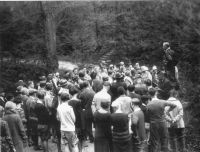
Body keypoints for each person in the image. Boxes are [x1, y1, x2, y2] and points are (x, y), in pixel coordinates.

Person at [147, 88, 177, 152]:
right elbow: (174, 105)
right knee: (164, 139)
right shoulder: (162, 101)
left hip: (153, 124)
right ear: (156, 93)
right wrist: (168, 111)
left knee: (154, 141)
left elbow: (148, 114)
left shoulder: (148, 104)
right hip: (162, 122)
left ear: (149, 94)